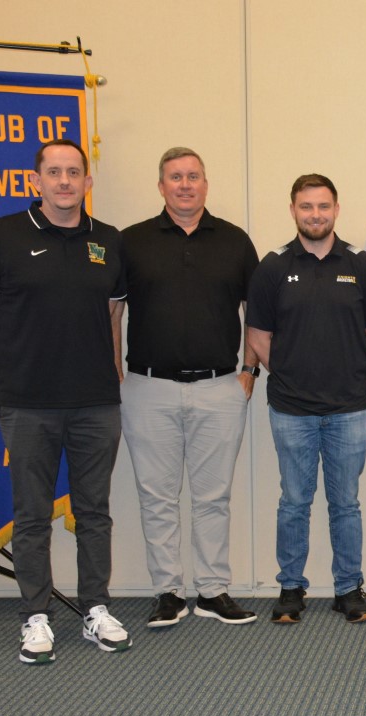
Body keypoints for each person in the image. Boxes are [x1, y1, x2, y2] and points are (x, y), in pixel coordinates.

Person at [0, 139, 130, 663]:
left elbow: (112, 314)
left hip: (95, 401)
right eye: (54, 172)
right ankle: (35, 615)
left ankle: (96, 609)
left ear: (88, 181)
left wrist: (108, 368)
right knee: (32, 514)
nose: (65, 181)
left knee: (94, 512)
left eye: (74, 172)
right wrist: (24, 355)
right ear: (35, 180)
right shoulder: (2, 235)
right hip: (28, 401)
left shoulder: (108, 240)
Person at [118, 147, 261, 628]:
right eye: (175, 177)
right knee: (156, 497)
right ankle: (168, 592)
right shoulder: (131, 241)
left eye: (193, 176)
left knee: (212, 497)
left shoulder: (235, 241)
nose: (185, 185)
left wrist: (250, 369)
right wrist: (113, 369)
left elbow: (256, 312)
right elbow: (112, 310)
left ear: (205, 184)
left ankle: (213, 590)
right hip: (147, 387)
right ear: (161, 186)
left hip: (219, 387)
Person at [246, 174, 366, 624]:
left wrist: (354, 372)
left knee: (346, 504)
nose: (315, 214)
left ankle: (349, 588)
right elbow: (258, 336)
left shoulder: (361, 265)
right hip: (291, 409)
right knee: (294, 502)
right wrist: (291, 374)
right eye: (306, 206)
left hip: (348, 408)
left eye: (323, 206)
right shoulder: (273, 267)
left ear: (336, 210)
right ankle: (291, 588)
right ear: (293, 210)